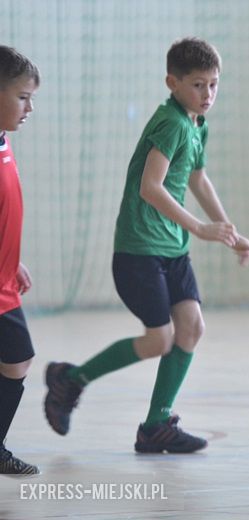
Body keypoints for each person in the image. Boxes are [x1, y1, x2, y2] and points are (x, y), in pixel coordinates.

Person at [43, 37, 249, 454]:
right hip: (139, 251)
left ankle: (157, 425)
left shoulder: (197, 122)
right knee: (159, 339)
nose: (207, 94)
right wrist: (198, 226)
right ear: (172, 82)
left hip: (171, 249)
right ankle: (71, 380)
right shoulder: (172, 122)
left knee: (191, 327)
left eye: (214, 84)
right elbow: (150, 187)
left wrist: (227, 229)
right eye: (198, 85)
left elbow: (197, 178)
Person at [0, 45, 40, 475]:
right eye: (22, 96)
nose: (30, 107)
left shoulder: (3, 139)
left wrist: (14, 258)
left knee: (16, 359)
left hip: (5, 277)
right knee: (16, 358)